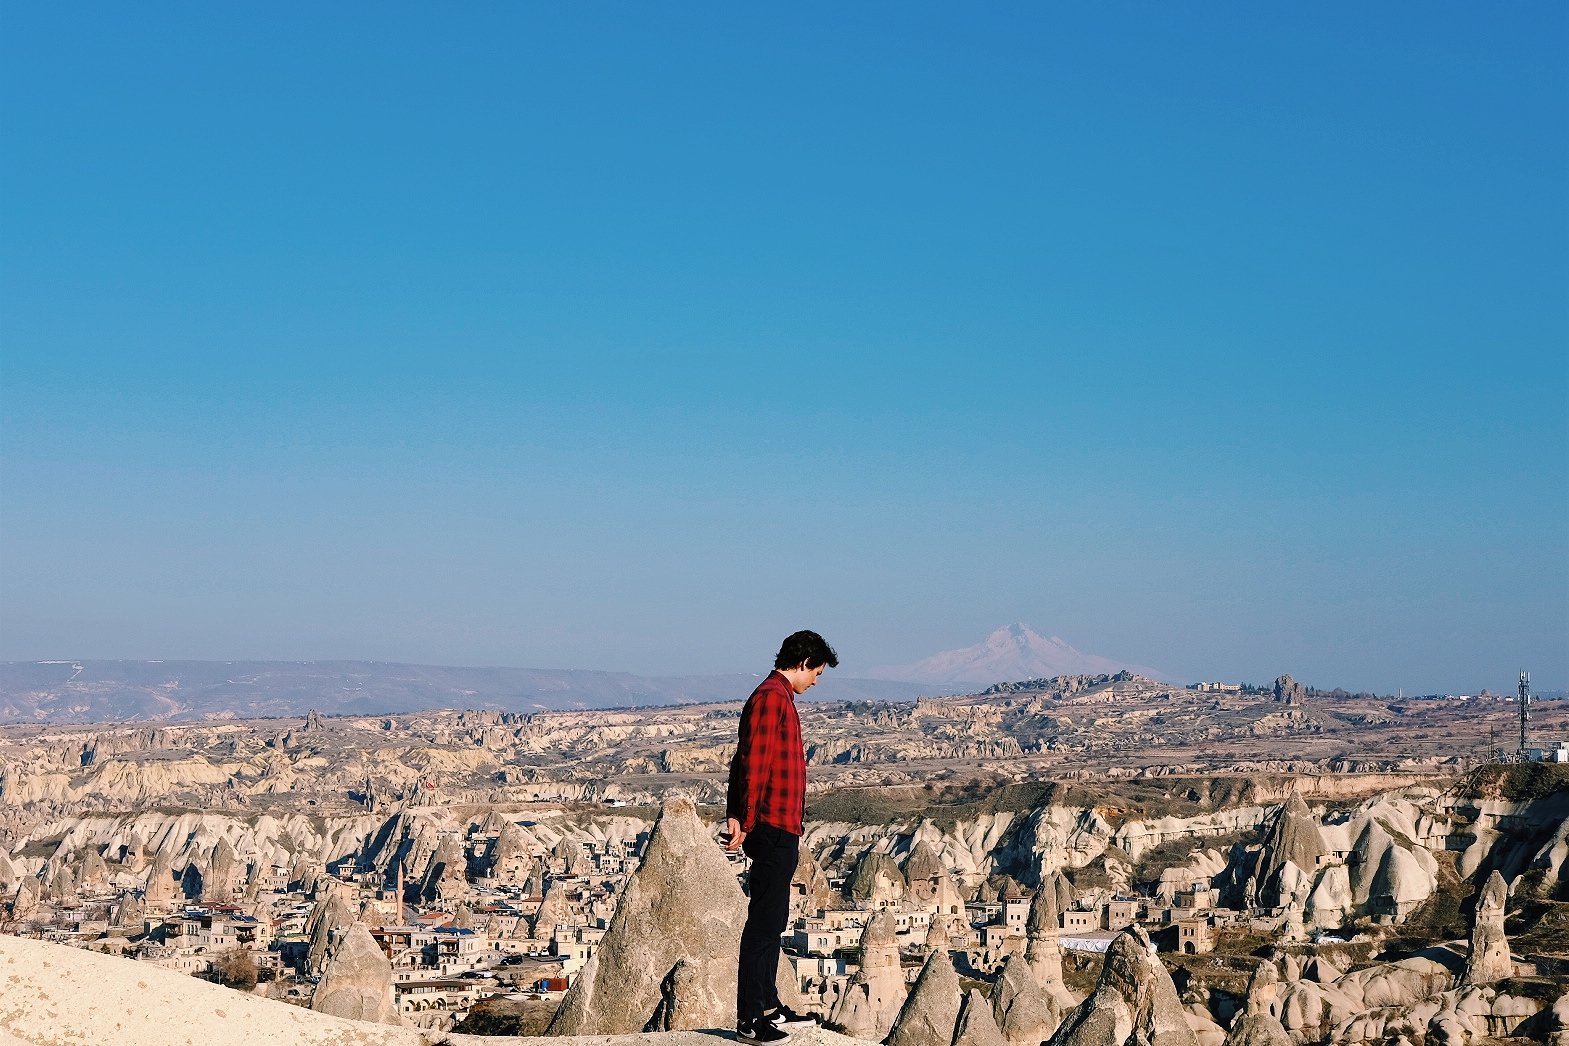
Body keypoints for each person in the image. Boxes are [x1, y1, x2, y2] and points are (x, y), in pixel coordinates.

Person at [725, 630, 838, 1045]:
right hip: (772, 826)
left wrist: (738, 815)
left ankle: (769, 1005)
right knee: (763, 925)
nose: (817, 681)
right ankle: (750, 1018)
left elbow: (744, 764)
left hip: (779, 825)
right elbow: (752, 766)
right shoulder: (772, 697)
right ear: (804, 661)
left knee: (772, 923)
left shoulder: (777, 698)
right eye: (818, 672)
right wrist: (745, 820)